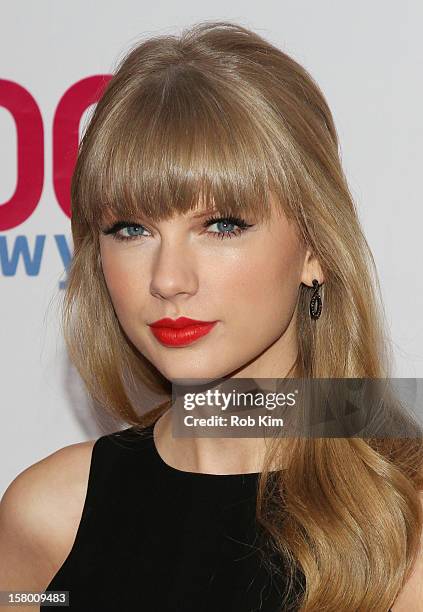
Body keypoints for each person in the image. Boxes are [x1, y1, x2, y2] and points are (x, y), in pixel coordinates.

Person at [0, 20, 422, 612]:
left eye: (222, 225)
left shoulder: (406, 530)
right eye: (132, 229)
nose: (169, 279)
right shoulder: (45, 519)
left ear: (315, 249)